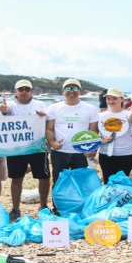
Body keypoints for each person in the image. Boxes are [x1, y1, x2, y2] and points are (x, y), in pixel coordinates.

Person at [0, 79, 50, 221]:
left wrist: (43, 116)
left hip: (37, 147)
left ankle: (43, 206)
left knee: (44, 177)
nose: (24, 91)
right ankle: (15, 209)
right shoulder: (9, 105)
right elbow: (5, 111)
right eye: (20, 89)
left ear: (31, 91)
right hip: (16, 148)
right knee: (16, 178)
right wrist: (3, 110)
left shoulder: (40, 104)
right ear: (15, 92)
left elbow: (47, 119)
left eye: (27, 89)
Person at [46, 79, 99, 212]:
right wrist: (52, 143)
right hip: (60, 151)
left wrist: (93, 149)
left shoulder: (91, 108)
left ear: (80, 91)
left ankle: (79, 208)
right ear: (63, 91)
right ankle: (58, 209)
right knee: (58, 182)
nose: (71, 91)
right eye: (68, 88)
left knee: (80, 182)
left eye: (75, 88)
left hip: (81, 152)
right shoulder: (54, 107)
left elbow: (93, 131)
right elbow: (49, 128)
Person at [98, 87, 132, 183]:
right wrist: (103, 140)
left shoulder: (128, 114)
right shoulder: (101, 116)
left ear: (122, 99)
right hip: (105, 153)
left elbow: (131, 119)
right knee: (107, 181)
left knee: (123, 182)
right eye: (109, 98)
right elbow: (95, 135)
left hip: (126, 153)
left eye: (115, 98)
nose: (111, 101)